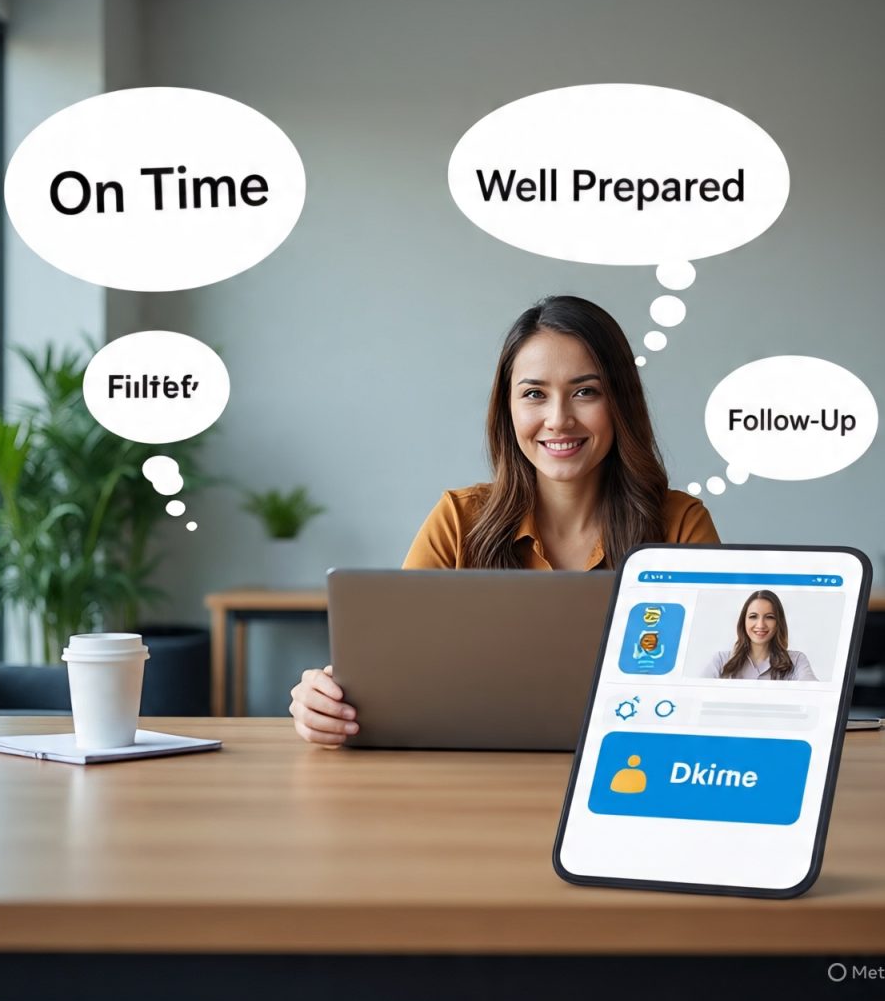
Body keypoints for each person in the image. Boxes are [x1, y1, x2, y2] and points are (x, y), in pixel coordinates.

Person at [291, 295, 720, 745]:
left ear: (620, 403)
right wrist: (322, 702)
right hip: (475, 770)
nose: (559, 419)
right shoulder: (458, 520)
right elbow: (392, 673)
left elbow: (722, 681)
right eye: (535, 394)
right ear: (507, 407)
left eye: (585, 392)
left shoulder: (680, 525)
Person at [702, 589, 817, 681]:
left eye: (769, 617)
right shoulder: (721, 660)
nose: (760, 625)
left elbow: (815, 695)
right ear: (743, 621)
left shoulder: (796, 661)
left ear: (778, 622)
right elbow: (697, 696)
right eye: (753, 616)